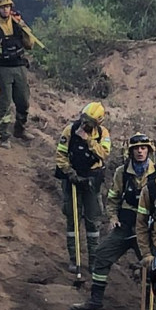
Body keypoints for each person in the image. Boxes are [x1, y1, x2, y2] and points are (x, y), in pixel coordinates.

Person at [70, 133, 155, 310]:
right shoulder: (122, 172)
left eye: (143, 148)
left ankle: (154, 309)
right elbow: (113, 198)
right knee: (102, 255)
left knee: (154, 266)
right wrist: (113, 218)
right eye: (136, 149)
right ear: (130, 151)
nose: (140, 152)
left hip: (147, 230)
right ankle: (95, 300)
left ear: (149, 150)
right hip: (124, 226)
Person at [55, 101, 112, 274]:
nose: (85, 124)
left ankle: (93, 260)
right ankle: (74, 259)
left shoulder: (103, 134)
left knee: (92, 221)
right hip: (72, 180)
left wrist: (89, 142)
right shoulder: (70, 130)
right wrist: (69, 172)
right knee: (72, 220)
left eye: (89, 122)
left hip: (91, 181)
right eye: (84, 119)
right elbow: (60, 154)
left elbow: (104, 153)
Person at [0, 0, 35, 146]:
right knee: (4, 104)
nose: (6, 10)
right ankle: (4, 136)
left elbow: (30, 44)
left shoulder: (17, 24)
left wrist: (23, 26)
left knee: (23, 102)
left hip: (19, 66)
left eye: (8, 7)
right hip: (3, 69)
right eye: (2, 8)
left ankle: (20, 129)